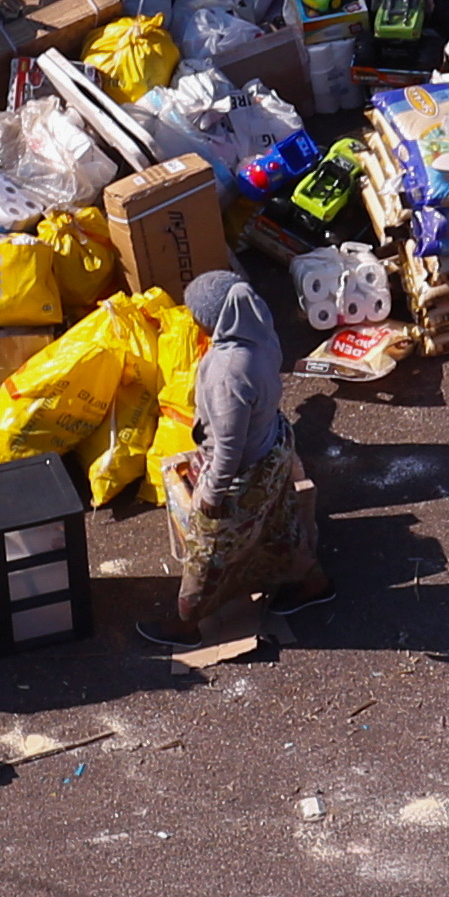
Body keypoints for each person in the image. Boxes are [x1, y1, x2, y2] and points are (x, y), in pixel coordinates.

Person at [142, 270, 329, 645]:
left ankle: (186, 625)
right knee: (279, 526)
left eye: (195, 313)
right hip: (274, 447)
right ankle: (316, 584)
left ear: (212, 320)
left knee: (207, 552)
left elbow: (229, 446)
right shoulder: (258, 329)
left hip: (246, 473)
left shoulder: (229, 370)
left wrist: (212, 494)